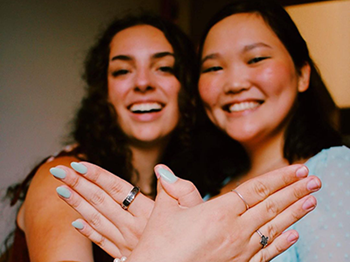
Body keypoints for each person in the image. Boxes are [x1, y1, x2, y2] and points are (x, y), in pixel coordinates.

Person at [52, 0, 349, 261]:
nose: (234, 84)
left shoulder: (333, 172)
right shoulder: (202, 192)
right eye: (213, 68)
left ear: (302, 74)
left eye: (256, 59)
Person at [2, 12, 198, 262]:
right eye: (122, 71)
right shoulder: (67, 180)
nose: (142, 82)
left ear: (188, 88)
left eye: (163, 68)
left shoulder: (197, 186)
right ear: (105, 92)